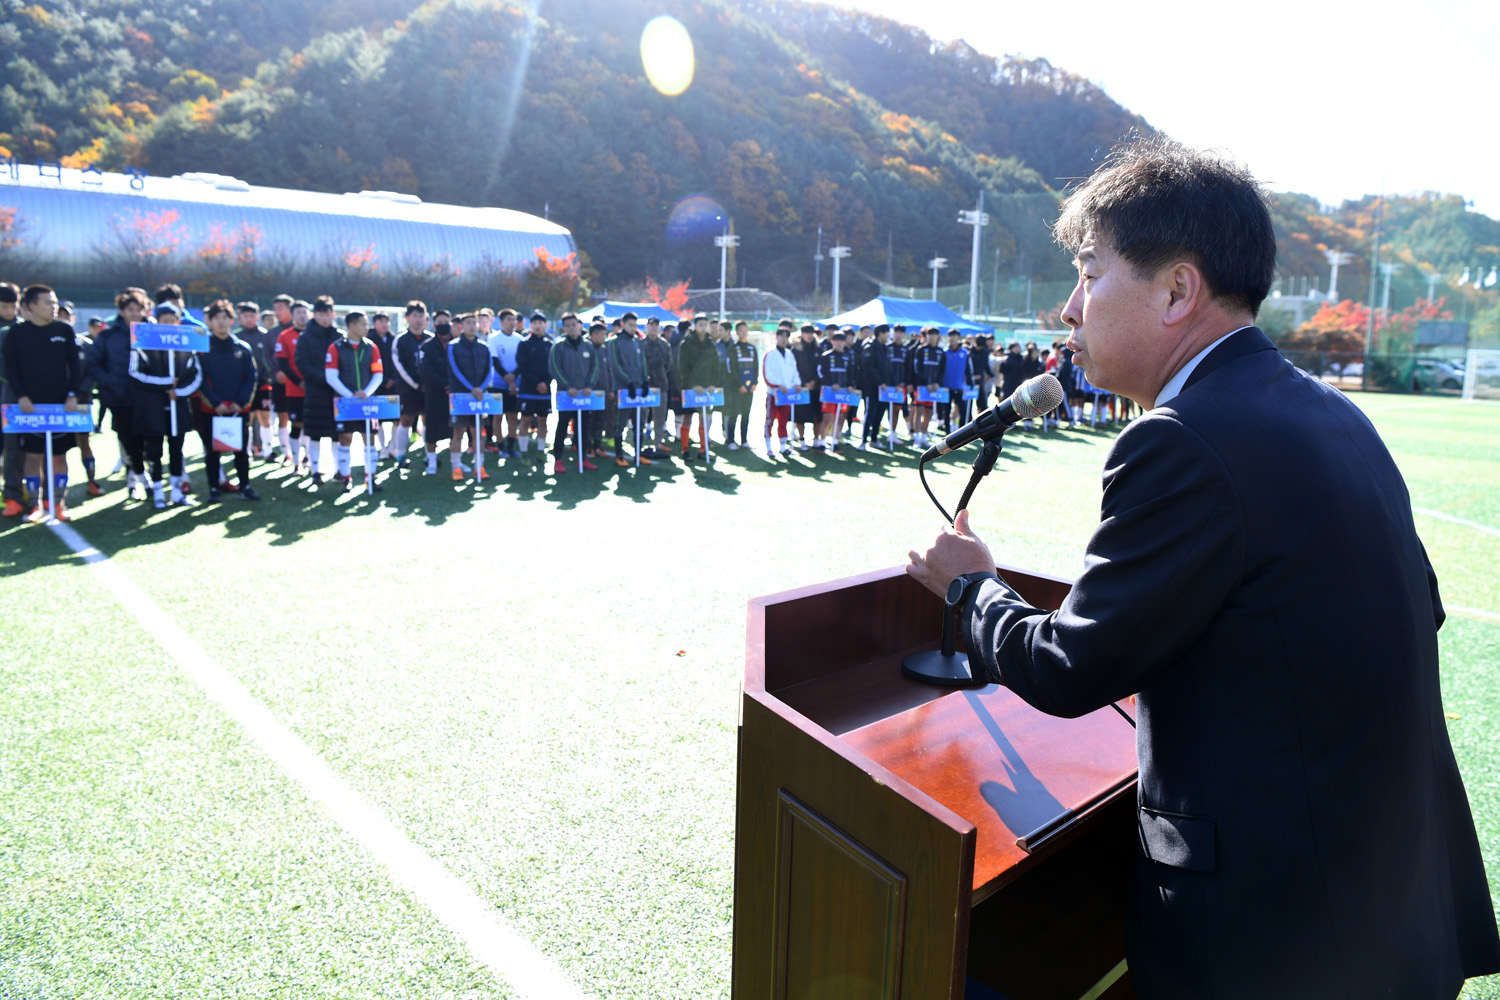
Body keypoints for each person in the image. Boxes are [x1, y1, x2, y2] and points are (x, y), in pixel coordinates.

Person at [907, 136, 1500, 1000]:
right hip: (1386, 902)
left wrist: (968, 588)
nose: (1068, 309)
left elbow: (1071, 667)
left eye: (1088, 273)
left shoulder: (1180, 438)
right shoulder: (1334, 415)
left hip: (1278, 940)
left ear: (1178, 289)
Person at [0, 285, 82, 521]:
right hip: (30, 407)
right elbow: (11, 369)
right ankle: (34, 504)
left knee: (59, 456)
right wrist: (22, 396)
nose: (53, 307)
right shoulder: (16, 333)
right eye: (48, 303)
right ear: (31, 307)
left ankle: (57, 502)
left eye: (54, 302)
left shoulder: (65, 330)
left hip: (60, 407)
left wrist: (72, 394)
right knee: (32, 456)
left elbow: (75, 366)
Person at [129, 301, 201, 508]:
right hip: (151, 408)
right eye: (164, 320)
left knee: (177, 450)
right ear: (156, 321)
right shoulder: (143, 342)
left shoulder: (188, 345)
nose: (169, 324)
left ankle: (177, 492)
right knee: (154, 451)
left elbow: (196, 376)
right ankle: (158, 492)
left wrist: (178, 392)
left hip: (177, 408)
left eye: (173, 321)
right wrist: (164, 384)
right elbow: (134, 374)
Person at [194, 299, 260, 501]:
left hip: (238, 410)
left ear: (231, 321)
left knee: (241, 451)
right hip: (213, 410)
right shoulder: (202, 349)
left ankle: (245, 487)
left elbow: (251, 377)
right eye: (216, 319)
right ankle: (214, 489)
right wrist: (216, 403)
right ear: (210, 322)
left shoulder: (243, 348)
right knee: (212, 452)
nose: (221, 322)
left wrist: (240, 403)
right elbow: (200, 379)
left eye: (225, 318)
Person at [88, 288, 150, 500]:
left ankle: (139, 477)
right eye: (130, 309)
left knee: (145, 440)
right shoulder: (108, 335)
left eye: (138, 309)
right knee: (127, 439)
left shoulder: (151, 332)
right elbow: (93, 364)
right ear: (121, 312)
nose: (134, 313)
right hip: (119, 397)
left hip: (147, 396)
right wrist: (110, 382)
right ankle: (139, 479)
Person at [325, 310, 385, 492]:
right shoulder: (335, 347)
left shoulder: (371, 347)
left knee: (370, 438)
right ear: (352, 325)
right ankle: (346, 477)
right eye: (364, 324)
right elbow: (331, 376)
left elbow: (378, 374)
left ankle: (370, 478)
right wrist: (351, 396)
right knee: (345, 438)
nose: (368, 328)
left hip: (367, 402)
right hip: (345, 403)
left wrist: (365, 393)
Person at [295, 295, 342, 486]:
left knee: (337, 433)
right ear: (314, 315)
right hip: (315, 392)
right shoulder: (305, 337)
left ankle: (340, 470)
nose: (324, 318)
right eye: (321, 314)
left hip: (337, 393)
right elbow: (302, 363)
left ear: (333, 314)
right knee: (314, 432)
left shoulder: (340, 336)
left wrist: (337, 382)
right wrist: (325, 378)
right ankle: (315, 470)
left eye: (327, 314)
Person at [547, 312, 598, 473]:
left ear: (579, 325)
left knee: (583, 428)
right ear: (564, 328)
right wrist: (567, 386)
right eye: (567, 325)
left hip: (584, 396)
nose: (571, 328)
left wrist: (590, 385)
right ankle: (558, 460)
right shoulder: (559, 346)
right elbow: (554, 368)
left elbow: (595, 367)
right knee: (562, 427)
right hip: (566, 396)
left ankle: (582, 459)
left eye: (573, 325)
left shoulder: (588, 346)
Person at [447, 310, 493, 482]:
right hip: (460, 397)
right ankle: (456, 467)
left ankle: (479, 467)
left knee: (478, 434)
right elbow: (455, 370)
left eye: (474, 323)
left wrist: (480, 388)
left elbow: (489, 370)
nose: (472, 326)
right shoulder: (453, 346)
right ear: (461, 326)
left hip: (479, 397)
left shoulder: (484, 346)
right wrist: (471, 388)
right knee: (458, 433)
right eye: (468, 323)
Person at [607, 311, 653, 467]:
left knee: (639, 423)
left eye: (635, 325)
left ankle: (638, 454)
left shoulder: (638, 342)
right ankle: (619, 456)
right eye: (630, 325)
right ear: (623, 324)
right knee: (620, 423)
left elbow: (644, 363)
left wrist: (646, 381)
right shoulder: (615, 342)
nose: (633, 328)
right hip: (624, 390)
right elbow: (614, 365)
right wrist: (628, 383)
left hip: (639, 390)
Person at [390, 301, 431, 467]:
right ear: (408, 318)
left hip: (428, 389)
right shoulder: (400, 340)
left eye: (421, 316)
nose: (418, 320)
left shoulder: (431, 339)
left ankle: (430, 454)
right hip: (408, 389)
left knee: (428, 420)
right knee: (406, 420)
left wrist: (428, 384)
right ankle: (400, 455)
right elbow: (398, 365)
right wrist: (415, 384)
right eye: (415, 316)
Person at [675, 314, 720, 462]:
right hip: (690, 388)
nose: (703, 327)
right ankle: (685, 450)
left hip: (707, 389)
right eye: (700, 324)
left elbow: (716, 366)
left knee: (704, 418)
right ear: (695, 326)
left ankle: (703, 450)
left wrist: (713, 383)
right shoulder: (686, 343)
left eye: (704, 324)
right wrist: (693, 385)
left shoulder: (710, 344)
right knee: (687, 418)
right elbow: (683, 368)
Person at [418, 310, 456, 476]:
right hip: (434, 394)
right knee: (432, 430)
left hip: (454, 394)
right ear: (434, 325)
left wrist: (453, 385)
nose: (443, 325)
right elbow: (426, 371)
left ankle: (457, 462)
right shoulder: (427, 346)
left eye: (446, 322)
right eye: (440, 322)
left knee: (456, 429)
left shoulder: (457, 343)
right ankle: (431, 461)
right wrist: (444, 384)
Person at [236, 301, 275, 461]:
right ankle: (247, 451)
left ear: (257, 317)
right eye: (246, 316)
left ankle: (268, 451)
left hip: (264, 383)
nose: (249, 319)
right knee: (247, 419)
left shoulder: (265, 335)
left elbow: (270, 359)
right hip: (244, 385)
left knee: (265, 418)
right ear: (242, 318)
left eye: (252, 316)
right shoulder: (237, 337)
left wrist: (267, 376)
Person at [273, 300, 309, 471]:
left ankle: (310, 461)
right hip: (294, 390)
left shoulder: (314, 335)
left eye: (305, 312)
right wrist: (299, 382)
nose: (302, 316)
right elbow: (283, 363)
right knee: (296, 425)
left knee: (311, 427)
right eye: (299, 313)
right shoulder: (284, 336)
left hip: (314, 390)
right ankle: (296, 463)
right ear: (292, 315)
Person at [515, 311, 553, 463]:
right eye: (535, 323)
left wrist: (546, 383)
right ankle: (523, 452)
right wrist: (538, 383)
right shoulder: (524, 344)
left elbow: (553, 367)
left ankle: (540, 451)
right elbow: (522, 367)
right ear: (530, 326)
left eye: (541, 323)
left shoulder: (549, 345)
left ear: (545, 325)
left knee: (543, 422)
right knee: (525, 420)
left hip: (545, 392)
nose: (538, 326)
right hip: (528, 391)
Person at [487, 307, 525, 457]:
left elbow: (522, 361)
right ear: (501, 321)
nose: (512, 322)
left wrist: (514, 377)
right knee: (498, 415)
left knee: (513, 416)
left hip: (516, 383)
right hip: (498, 383)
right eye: (508, 319)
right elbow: (495, 361)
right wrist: (507, 377)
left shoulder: (520, 339)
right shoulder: (494, 338)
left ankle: (511, 446)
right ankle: (500, 445)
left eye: (514, 319)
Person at [760, 325, 798, 458]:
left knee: (783, 421)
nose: (783, 339)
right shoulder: (770, 354)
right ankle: (769, 447)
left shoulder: (789, 354)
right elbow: (767, 375)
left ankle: (783, 446)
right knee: (770, 420)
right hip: (773, 394)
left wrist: (797, 384)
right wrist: (777, 385)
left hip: (786, 396)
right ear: (776, 337)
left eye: (786, 337)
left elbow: (794, 372)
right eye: (781, 336)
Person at [814, 330, 854, 452]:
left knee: (840, 417)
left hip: (842, 394)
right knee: (827, 418)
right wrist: (830, 384)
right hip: (829, 392)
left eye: (842, 341)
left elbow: (851, 373)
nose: (839, 344)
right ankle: (822, 443)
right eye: (837, 341)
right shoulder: (826, 356)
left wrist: (851, 385)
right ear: (833, 342)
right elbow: (820, 372)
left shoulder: (847, 357)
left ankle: (835, 443)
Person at [640, 317, 674, 459]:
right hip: (644, 387)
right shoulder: (640, 344)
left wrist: (660, 376)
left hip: (661, 385)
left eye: (656, 325)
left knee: (660, 417)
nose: (654, 328)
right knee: (641, 417)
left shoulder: (665, 345)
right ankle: (640, 443)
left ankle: (658, 443)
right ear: (647, 327)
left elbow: (669, 366)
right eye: (651, 325)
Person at [857, 323, 892, 451]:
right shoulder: (870, 346)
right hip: (872, 388)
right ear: (881, 333)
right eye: (887, 333)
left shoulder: (884, 347)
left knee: (879, 415)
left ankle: (874, 440)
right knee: (870, 414)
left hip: (884, 389)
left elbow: (887, 367)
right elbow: (868, 367)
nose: (888, 335)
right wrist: (879, 382)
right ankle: (863, 441)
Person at [908, 326, 944, 448]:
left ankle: (924, 436)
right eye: (930, 334)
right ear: (926, 336)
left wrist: (937, 383)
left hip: (934, 388)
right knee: (918, 411)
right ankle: (916, 438)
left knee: (929, 412)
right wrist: (925, 383)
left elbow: (942, 370)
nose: (933, 337)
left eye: (935, 334)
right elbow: (917, 369)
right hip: (922, 387)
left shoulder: (941, 352)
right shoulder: (921, 350)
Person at [725, 320, 758, 451]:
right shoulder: (733, 349)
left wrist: (755, 383)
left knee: (746, 415)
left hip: (750, 389)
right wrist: (740, 385)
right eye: (741, 330)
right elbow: (731, 369)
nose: (744, 332)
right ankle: (731, 440)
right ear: (737, 332)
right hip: (736, 389)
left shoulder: (752, 348)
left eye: (746, 330)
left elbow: (756, 367)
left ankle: (744, 440)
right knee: (734, 414)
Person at [790, 325, 821, 450]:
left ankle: (816, 439)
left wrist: (814, 381)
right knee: (800, 415)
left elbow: (821, 368)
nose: (808, 335)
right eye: (806, 332)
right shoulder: (795, 349)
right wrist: (803, 383)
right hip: (801, 387)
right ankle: (802, 439)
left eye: (811, 333)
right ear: (801, 333)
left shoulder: (818, 349)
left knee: (817, 415)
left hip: (816, 387)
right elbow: (793, 368)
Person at [885, 324, 911, 445]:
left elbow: (908, 368)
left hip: (900, 387)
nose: (899, 335)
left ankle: (892, 433)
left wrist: (904, 382)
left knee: (896, 409)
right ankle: (876, 434)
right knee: (884, 410)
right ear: (893, 333)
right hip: (886, 386)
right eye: (897, 332)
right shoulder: (886, 347)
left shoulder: (906, 350)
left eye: (901, 333)